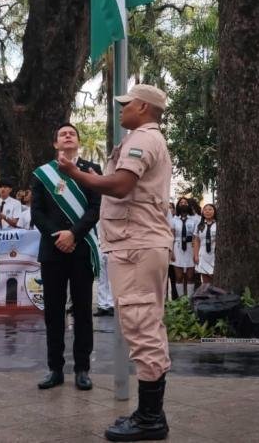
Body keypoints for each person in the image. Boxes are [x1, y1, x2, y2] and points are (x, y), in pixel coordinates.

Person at [57, 84, 173, 441]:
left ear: (142, 107)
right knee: (145, 324)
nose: (121, 109)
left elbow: (122, 186)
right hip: (135, 244)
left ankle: (151, 419)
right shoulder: (145, 138)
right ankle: (149, 412)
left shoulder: (143, 140)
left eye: (126, 105)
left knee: (141, 325)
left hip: (136, 245)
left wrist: (76, 174)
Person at [30, 122, 102, 392]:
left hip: (81, 248)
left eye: (72, 133)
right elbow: (37, 213)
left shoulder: (91, 171)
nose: (68, 135)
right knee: (54, 313)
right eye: (63, 134)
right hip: (53, 251)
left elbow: (95, 209)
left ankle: (82, 369)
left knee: (83, 311)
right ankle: (55, 369)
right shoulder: (42, 174)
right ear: (56, 143)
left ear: (78, 141)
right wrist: (58, 237)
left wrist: (73, 234)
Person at [170, 197, 198, 299]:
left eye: (185, 202)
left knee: (190, 276)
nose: (183, 204)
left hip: (190, 248)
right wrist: (171, 251)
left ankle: (190, 300)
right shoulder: (174, 220)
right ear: (178, 205)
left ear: (188, 205)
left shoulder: (194, 219)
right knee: (179, 276)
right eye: (181, 202)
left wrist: (196, 253)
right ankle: (181, 301)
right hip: (177, 248)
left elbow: (195, 238)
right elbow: (171, 236)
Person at [192, 204, 218, 285]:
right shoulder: (200, 225)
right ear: (202, 212)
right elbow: (197, 240)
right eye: (205, 210)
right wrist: (196, 255)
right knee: (205, 281)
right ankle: (207, 297)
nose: (207, 211)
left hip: (215, 254)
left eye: (210, 209)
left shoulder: (218, 224)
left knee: (215, 279)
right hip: (203, 254)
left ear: (214, 211)